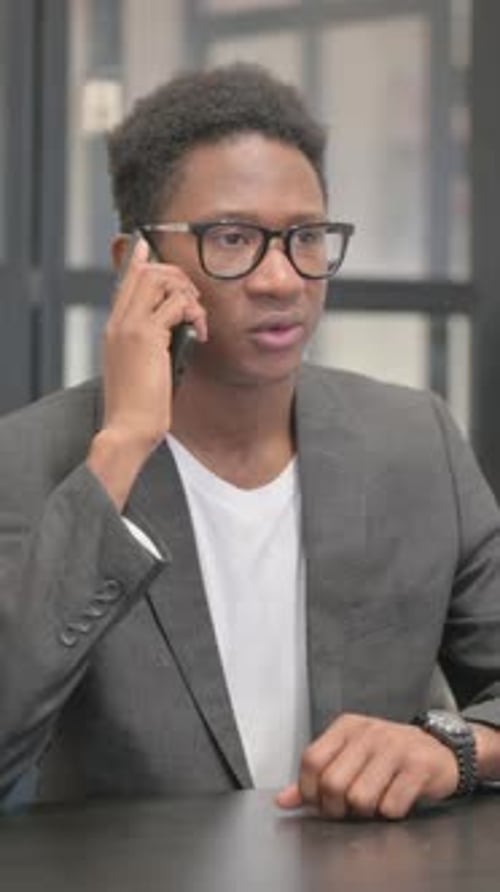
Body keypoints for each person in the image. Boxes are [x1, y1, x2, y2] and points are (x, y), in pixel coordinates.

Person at [1, 63, 500, 821]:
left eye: (306, 237)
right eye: (232, 239)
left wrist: (454, 749)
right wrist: (124, 444)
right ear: (134, 263)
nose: (281, 279)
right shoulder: (30, 462)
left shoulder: (414, 441)